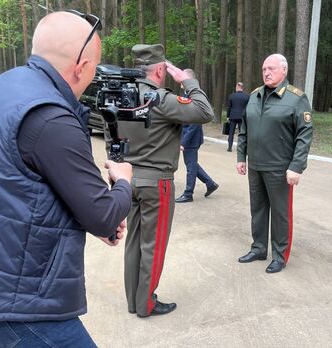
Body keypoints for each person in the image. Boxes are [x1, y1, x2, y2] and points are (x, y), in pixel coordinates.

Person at [0, 11, 133, 347]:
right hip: (14, 298)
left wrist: (83, 215)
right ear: (81, 66)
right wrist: (123, 183)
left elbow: (12, 179)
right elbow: (103, 214)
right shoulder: (52, 116)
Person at [107, 44, 214, 318]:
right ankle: (146, 304)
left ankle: (134, 300)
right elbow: (205, 112)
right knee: (152, 245)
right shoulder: (160, 99)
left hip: (128, 179)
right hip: (157, 183)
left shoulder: (120, 97)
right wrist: (187, 81)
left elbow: (111, 138)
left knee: (134, 242)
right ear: (158, 69)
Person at [236, 53, 313, 274]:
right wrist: (241, 157)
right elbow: (245, 130)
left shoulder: (296, 98)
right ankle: (259, 248)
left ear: (284, 70)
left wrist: (296, 167)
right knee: (258, 210)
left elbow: (304, 135)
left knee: (280, 214)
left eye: (271, 68)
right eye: (264, 69)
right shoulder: (255, 96)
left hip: (280, 168)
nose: (267, 73)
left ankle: (280, 255)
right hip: (256, 166)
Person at [175, 69, 219, 203]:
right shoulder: (187, 93)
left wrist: (183, 142)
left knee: (190, 165)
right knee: (192, 163)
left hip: (191, 138)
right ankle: (210, 183)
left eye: (182, 77)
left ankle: (188, 193)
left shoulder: (195, 94)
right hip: (189, 137)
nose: (180, 80)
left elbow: (194, 123)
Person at [226, 82, 250, 152]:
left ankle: (229, 147)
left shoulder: (232, 96)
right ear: (242, 88)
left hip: (233, 116)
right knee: (241, 133)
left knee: (231, 132)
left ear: (237, 87)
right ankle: (241, 148)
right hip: (242, 117)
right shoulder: (247, 96)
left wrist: (228, 116)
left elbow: (229, 107)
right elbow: (248, 107)